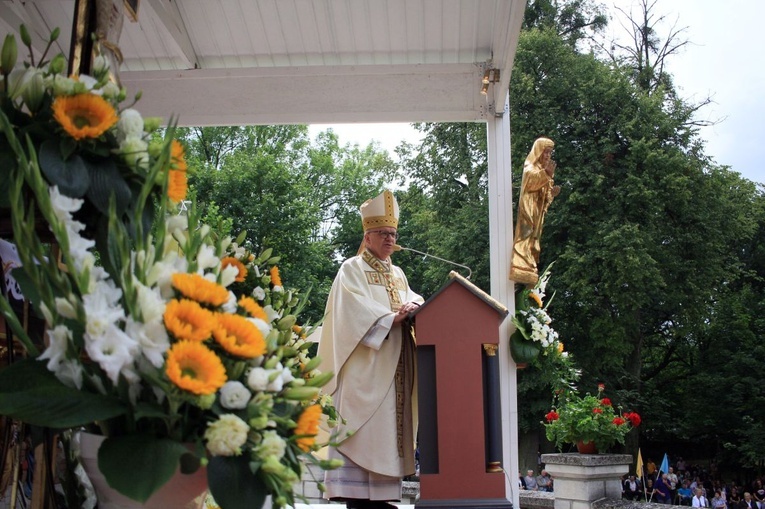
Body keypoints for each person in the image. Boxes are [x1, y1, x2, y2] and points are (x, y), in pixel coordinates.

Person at [319, 190, 424, 509]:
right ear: (368, 235)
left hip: (394, 375)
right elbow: (352, 312)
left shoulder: (398, 273)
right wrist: (393, 318)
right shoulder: (351, 269)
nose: (390, 239)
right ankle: (359, 500)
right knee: (365, 439)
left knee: (387, 438)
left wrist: (416, 304)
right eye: (384, 234)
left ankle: (382, 499)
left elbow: (413, 296)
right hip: (365, 374)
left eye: (393, 234)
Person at [509, 137, 560, 286]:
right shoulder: (530, 167)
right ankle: (520, 262)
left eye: (550, 153)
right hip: (528, 210)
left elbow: (545, 197)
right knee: (525, 233)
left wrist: (552, 195)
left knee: (534, 238)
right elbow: (531, 183)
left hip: (537, 212)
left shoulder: (544, 171)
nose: (548, 156)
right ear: (538, 152)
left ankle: (528, 262)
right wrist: (546, 175)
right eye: (546, 152)